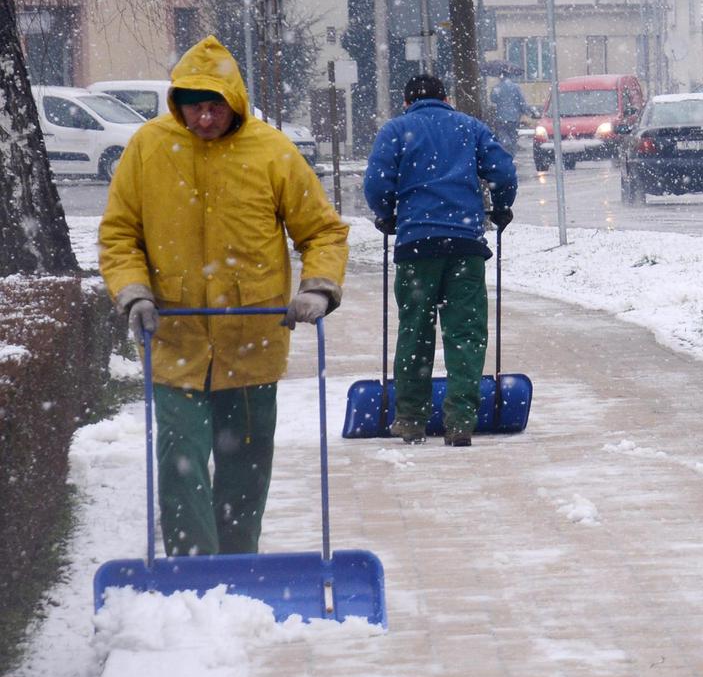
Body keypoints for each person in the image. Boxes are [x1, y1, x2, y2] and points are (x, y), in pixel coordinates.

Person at [98, 35, 350, 557]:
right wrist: (134, 293)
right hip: (176, 338)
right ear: (178, 103)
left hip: (252, 339)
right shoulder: (148, 148)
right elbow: (119, 234)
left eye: (215, 106)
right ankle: (193, 570)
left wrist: (318, 288)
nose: (205, 118)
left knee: (246, 466)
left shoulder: (272, 151)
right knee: (180, 460)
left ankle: (238, 565)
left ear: (235, 101)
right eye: (194, 107)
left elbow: (323, 231)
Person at [364, 74, 518, 448]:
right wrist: (501, 205)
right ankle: (460, 420)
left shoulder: (396, 130)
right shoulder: (470, 127)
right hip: (465, 246)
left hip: (417, 246)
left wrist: (386, 213)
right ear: (446, 98)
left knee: (415, 331)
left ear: (406, 103)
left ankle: (410, 419)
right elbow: (502, 171)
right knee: (465, 332)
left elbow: (377, 182)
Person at [489, 71, 530, 157]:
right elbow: (521, 101)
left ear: (501, 77)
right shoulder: (516, 87)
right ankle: (511, 153)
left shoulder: (497, 87)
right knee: (513, 136)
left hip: (501, 117)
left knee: (502, 134)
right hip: (514, 117)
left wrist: (496, 93)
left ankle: (506, 147)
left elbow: (493, 99)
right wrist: (525, 112)